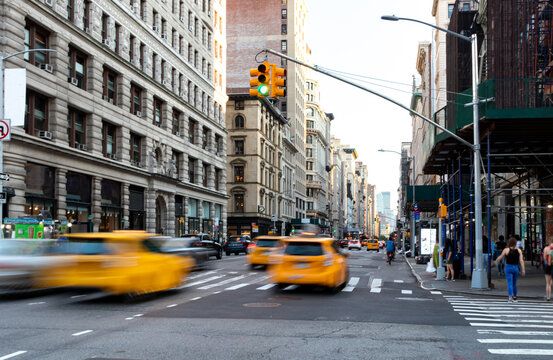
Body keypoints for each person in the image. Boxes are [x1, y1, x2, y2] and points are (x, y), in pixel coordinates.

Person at [494, 237, 526, 303]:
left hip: (508, 267)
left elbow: (500, 257)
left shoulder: (506, 250)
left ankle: (510, 297)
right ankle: (515, 296)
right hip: (516, 267)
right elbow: (521, 261)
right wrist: (523, 269)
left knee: (509, 283)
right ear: (515, 243)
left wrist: (496, 261)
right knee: (514, 283)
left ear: (509, 243)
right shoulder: (519, 250)